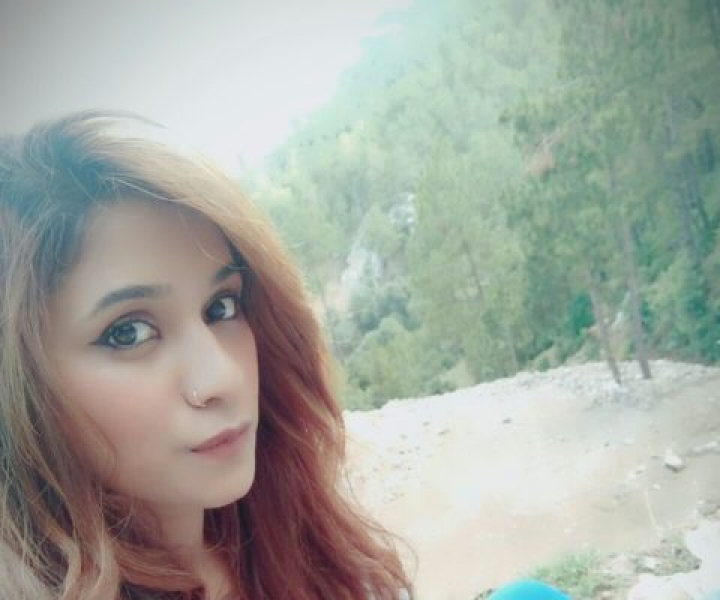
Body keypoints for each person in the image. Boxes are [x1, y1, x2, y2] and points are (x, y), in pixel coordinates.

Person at [0, 111, 413, 599]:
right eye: (129, 333)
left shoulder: (282, 530)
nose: (224, 376)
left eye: (221, 307)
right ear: (21, 388)